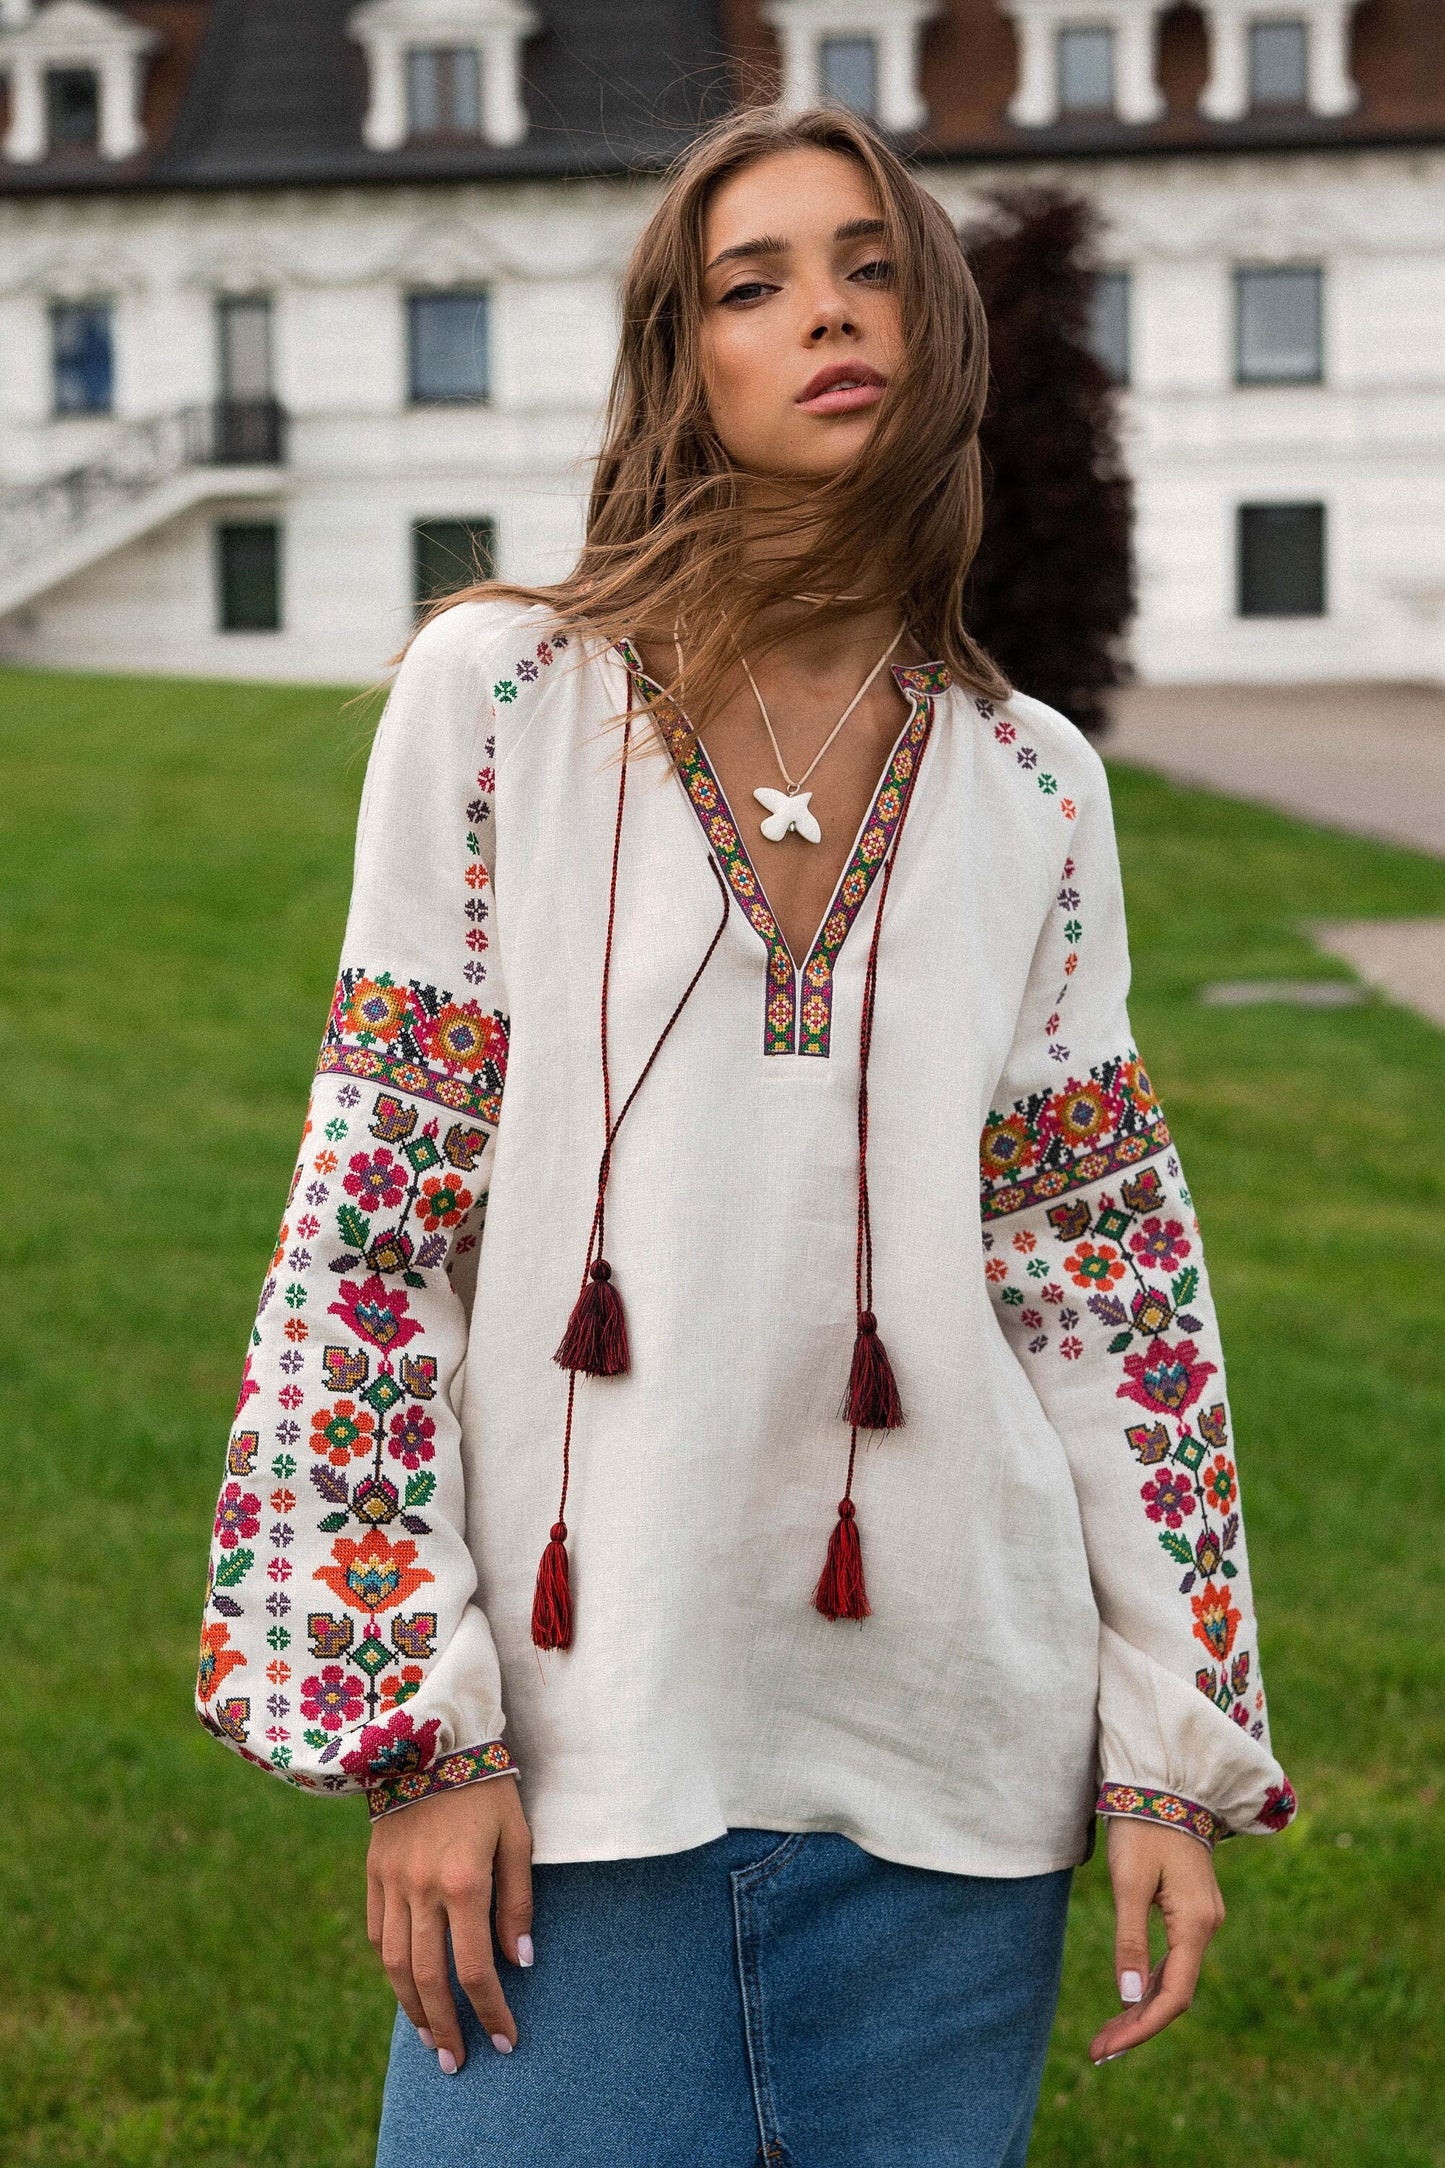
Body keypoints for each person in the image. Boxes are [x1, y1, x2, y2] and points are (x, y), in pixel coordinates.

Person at [195, 104, 1295, 2168]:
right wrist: (413, 1729)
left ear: (942, 335)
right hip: (579, 1780)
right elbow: (371, 1226)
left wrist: (1166, 1750)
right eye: (755, 281)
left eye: (876, 266)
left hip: (955, 1799)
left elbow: (1112, 1289)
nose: (829, 314)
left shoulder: (1030, 782)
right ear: (675, 356)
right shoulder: (501, 699)